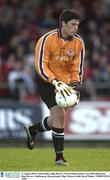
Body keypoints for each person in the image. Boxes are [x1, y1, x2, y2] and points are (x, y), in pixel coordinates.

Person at [24, 9, 85, 166]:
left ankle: (33, 130)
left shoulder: (79, 43)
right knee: (60, 116)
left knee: (55, 120)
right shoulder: (46, 40)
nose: (75, 28)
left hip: (66, 84)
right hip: (46, 82)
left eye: (77, 25)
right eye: (72, 24)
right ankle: (59, 158)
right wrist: (54, 82)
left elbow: (76, 68)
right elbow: (40, 65)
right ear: (63, 24)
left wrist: (74, 85)